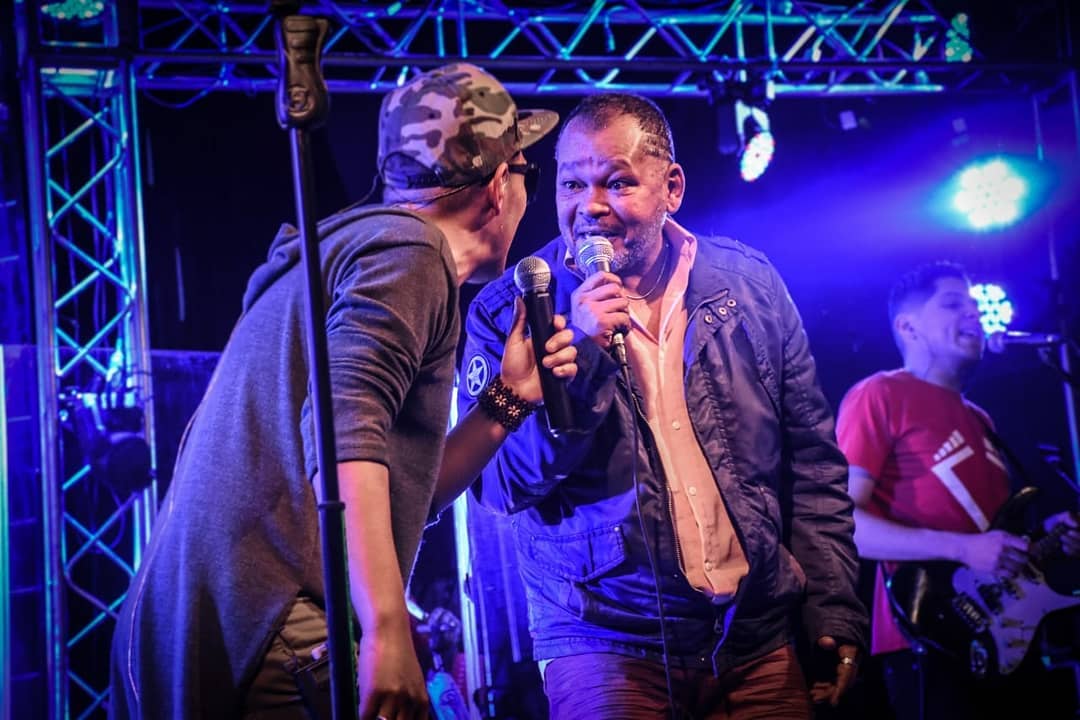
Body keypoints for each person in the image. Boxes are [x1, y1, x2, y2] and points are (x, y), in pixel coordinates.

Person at [109, 63, 576, 720]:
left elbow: (379, 479)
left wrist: (507, 399)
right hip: (272, 628)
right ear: (499, 186)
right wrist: (386, 627)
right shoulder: (411, 254)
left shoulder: (355, 250)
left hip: (197, 628)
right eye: (528, 171)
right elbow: (341, 427)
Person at [456, 92, 867, 718]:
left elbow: (812, 464)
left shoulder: (748, 286)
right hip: (604, 640)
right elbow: (502, 487)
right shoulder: (510, 310)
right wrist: (585, 358)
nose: (589, 207)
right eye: (571, 185)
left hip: (755, 636)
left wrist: (832, 608)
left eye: (618, 183)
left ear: (671, 186)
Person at [835, 261, 1080, 719]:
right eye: (953, 305)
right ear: (907, 326)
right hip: (930, 632)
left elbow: (994, 540)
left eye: (974, 305)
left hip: (1011, 634)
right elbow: (844, 525)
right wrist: (964, 550)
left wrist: (1048, 539)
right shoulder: (880, 394)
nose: (974, 314)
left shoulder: (982, 420)